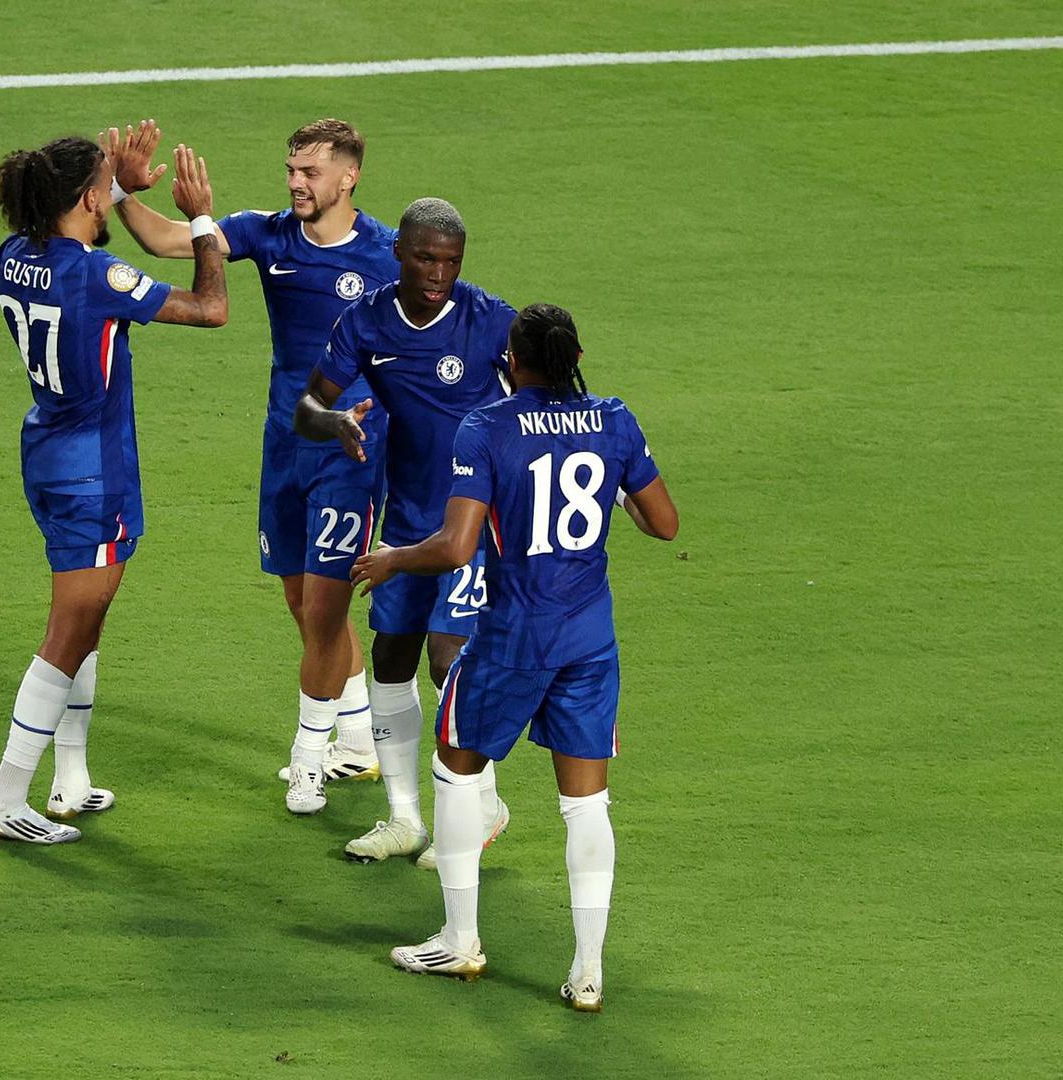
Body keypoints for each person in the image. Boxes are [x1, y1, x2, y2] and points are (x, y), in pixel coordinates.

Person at [351, 303, 679, 1011]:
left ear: (512, 362)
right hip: (590, 639)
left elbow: (456, 547)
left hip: (513, 636)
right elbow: (664, 523)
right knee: (586, 802)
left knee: (456, 767)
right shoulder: (615, 419)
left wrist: (393, 558)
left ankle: (460, 939)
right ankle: (588, 972)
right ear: (576, 357)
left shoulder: (488, 426)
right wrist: (615, 485)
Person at [110, 119, 398, 813]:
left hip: (352, 449)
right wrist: (120, 193)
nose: (296, 183)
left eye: (310, 173)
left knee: (324, 606)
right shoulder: (266, 234)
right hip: (285, 441)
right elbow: (168, 242)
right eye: (292, 170)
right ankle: (358, 738)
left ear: (349, 176)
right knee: (302, 600)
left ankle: (309, 760)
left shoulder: (389, 253)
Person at [0, 136, 228, 844]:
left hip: (49, 452)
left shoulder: (13, 255)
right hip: (93, 471)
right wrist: (201, 220)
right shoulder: (95, 275)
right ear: (86, 198)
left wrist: (117, 189)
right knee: (69, 631)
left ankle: (70, 777)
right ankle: (5, 797)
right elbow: (211, 308)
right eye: (105, 185)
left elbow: (76, 233)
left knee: (87, 621)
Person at [294, 198, 514, 861]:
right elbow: (308, 405)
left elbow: (548, 395)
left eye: (451, 262)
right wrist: (335, 422)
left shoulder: (490, 320)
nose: (439, 274)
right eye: (425, 258)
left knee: (447, 658)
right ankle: (404, 819)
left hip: (474, 520)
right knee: (392, 657)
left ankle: (483, 805)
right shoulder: (366, 321)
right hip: (409, 516)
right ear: (398, 253)